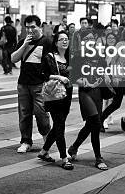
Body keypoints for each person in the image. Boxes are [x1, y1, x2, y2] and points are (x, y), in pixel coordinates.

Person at [67, 27, 108, 170]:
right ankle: (98, 157)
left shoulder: (100, 55)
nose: (90, 41)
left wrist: (105, 78)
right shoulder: (78, 56)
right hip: (85, 93)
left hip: (98, 92)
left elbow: (104, 71)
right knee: (96, 123)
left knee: (91, 124)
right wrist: (84, 82)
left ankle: (74, 147)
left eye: (91, 39)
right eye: (86, 39)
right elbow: (72, 77)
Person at [11, 15, 52, 153]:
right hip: (23, 84)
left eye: (33, 27)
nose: (30, 30)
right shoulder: (23, 42)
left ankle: (47, 137)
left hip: (40, 84)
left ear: (39, 26)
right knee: (24, 114)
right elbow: (13, 59)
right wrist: (24, 45)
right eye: (27, 27)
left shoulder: (46, 42)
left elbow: (51, 64)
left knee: (41, 113)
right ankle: (26, 141)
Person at [37, 30, 73, 170]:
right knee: (60, 126)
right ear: (56, 42)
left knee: (59, 124)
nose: (65, 41)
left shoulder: (70, 58)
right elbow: (43, 75)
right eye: (61, 39)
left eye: (66, 39)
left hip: (66, 95)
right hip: (54, 96)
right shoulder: (50, 57)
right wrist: (59, 77)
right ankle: (64, 158)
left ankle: (43, 151)